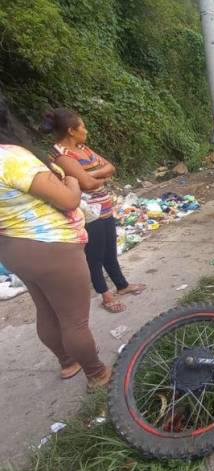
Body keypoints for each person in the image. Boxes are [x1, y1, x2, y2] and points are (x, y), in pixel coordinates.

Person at [0, 106, 110, 390]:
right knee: (74, 321)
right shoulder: (11, 158)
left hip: (12, 248)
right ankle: (96, 374)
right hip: (51, 246)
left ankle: (66, 362)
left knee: (46, 310)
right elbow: (68, 199)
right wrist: (72, 180)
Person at [44, 108, 146, 313]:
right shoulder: (62, 156)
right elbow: (87, 184)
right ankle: (105, 295)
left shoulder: (84, 148)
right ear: (71, 131)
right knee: (94, 256)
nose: (86, 130)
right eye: (83, 127)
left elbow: (110, 167)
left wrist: (93, 175)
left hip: (105, 207)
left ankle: (122, 285)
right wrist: (94, 177)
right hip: (87, 212)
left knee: (110, 250)